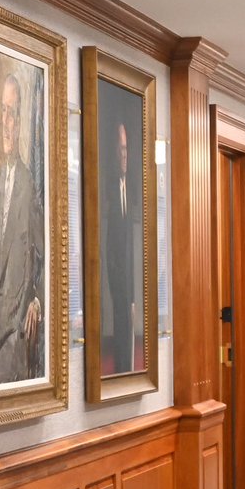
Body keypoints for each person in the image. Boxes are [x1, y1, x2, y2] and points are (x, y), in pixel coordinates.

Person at [0, 73, 44, 387]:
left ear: (20, 122)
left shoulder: (28, 184)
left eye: (13, 113)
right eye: (3, 111)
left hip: (15, 322)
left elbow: (45, 252)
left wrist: (37, 299)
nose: (7, 121)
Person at [106, 122, 137, 374]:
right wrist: (121, 290)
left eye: (127, 149)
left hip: (130, 285)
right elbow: (111, 249)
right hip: (118, 285)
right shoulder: (109, 192)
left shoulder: (131, 189)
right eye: (120, 149)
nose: (124, 155)